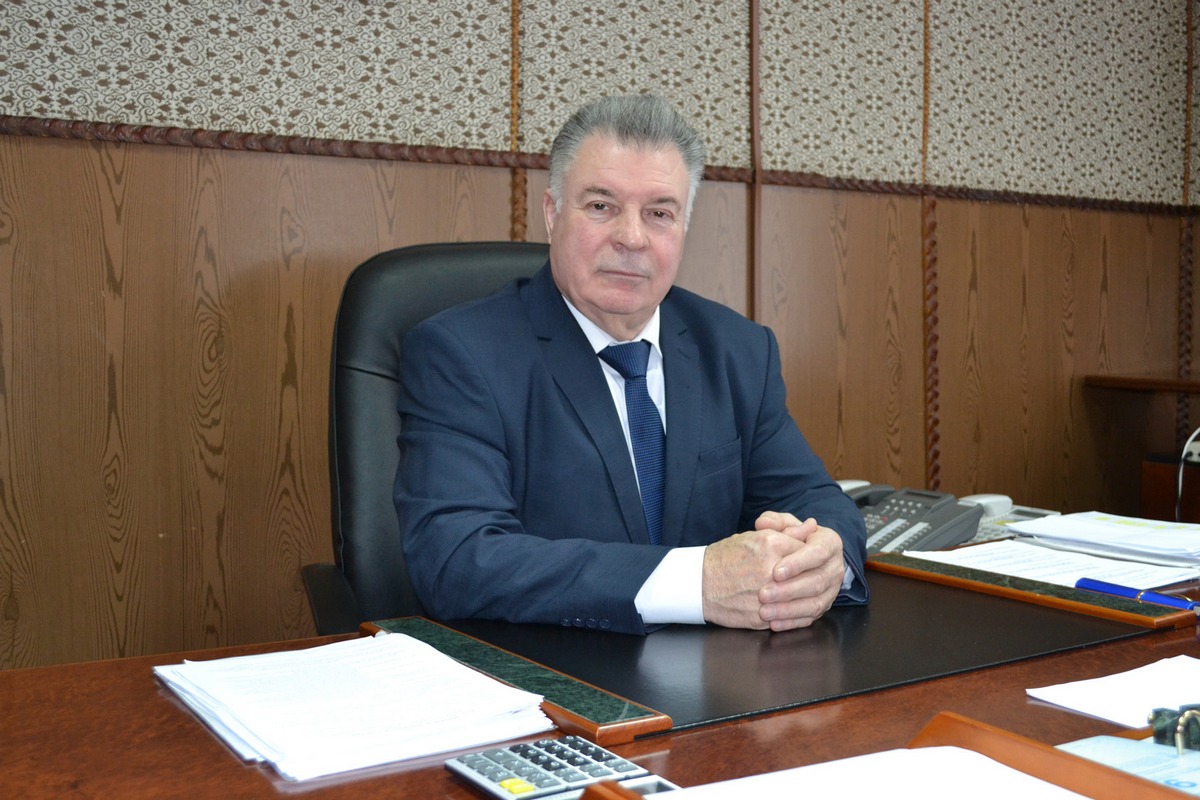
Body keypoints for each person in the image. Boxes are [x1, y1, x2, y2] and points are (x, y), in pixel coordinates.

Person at [395, 94, 868, 636]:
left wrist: (825, 559)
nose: (632, 237)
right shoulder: (462, 354)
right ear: (552, 214)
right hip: (547, 670)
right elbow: (456, 558)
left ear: (684, 228)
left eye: (659, 214)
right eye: (601, 206)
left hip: (722, 672)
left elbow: (816, 502)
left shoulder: (738, 350)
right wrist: (697, 583)